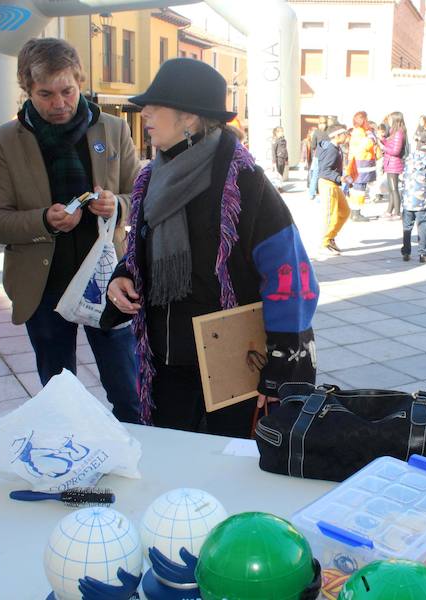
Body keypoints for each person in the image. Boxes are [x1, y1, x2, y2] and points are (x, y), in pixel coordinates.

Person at [104, 58, 318, 436]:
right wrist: (123, 275)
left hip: (232, 364)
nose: (145, 112)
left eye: (156, 105)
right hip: (166, 364)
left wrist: (281, 366)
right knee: (173, 458)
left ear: (189, 117)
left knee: (229, 460)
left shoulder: (244, 182)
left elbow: (291, 276)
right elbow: (144, 248)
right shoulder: (151, 178)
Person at [0, 38, 141, 423]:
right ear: (27, 89)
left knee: (129, 392)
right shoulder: (4, 141)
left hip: (108, 280)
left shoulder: (113, 129)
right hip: (44, 287)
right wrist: (43, 221)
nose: (59, 103)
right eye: (45, 94)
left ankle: (137, 450)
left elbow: (141, 196)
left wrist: (117, 205)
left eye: (67, 91)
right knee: (59, 400)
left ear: (80, 81)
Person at [317, 123, 352, 254]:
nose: (346, 136)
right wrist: (339, 178)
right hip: (328, 184)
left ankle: (330, 238)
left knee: (345, 211)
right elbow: (324, 171)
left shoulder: (336, 147)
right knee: (330, 215)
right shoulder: (331, 149)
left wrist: (341, 177)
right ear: (337, 136)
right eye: (344, 134)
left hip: (334, 183)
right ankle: (325, 244)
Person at [346, 111, 378, 222]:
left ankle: (354, 212)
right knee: (359, 189)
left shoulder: (357, 131)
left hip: (358, 162)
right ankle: (356, 213)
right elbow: (367, 145)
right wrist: (371, 135)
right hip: (361, 163)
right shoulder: (360, 131)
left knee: (357, 188)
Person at [382, 111, 407, 218]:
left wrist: (383, 148)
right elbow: (390, 145)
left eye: (391, 119)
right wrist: (382, 140)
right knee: (391, 189)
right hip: (390, 163)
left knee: (394, 189)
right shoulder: (394, 132)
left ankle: (397, 212)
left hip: (394, 164)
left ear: (396, 120)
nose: (389, 120)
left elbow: (396, 151)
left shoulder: (398, 133)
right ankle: (389, 210)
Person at [308, 117, 329, 201]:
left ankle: (312, 193)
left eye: (323, 123)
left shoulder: (317, 132)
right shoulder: (328, 132)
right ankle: (318, 193)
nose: (322, 125)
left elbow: (313, 146)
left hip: (320, 156)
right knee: (321, 176)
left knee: (316, 176)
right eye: (321, 123)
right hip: (325, 157)